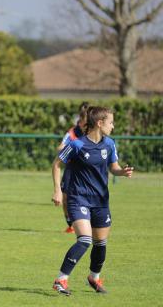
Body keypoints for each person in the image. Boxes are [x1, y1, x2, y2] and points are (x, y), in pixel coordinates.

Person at [51, 106, 133, 296]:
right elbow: (57, 164)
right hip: (78, 198)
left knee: (100, 243)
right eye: (111, 122)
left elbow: (114, 167)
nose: (113, 126)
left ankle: (94, 278)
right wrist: (57, 190)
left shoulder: (110, 144)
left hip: (101, 201)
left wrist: (122, 172)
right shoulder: (77, 144)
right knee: (85, 239)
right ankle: (61, 279)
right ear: (100, 122)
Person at [56, 102, 90, 234]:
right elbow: (60, 147)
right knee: (65, 199)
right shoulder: (72, 132)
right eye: (82, 121)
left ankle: (86, 222)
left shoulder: (93, 133)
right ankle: (70, 224)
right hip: (71, 169)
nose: (83, 124)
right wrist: (71, 148)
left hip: (86, 170)